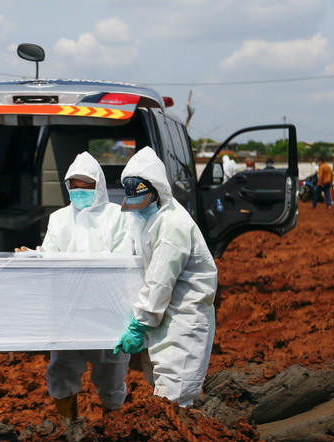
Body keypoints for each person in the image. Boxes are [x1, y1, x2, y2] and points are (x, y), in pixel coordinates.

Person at [115, 147, 218, 407]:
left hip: (183, 319)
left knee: (176, 398)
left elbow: (160, 281)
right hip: (160, 318)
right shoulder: (143, 218)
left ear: (157, 192)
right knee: (161, 393)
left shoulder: (174, 226)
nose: (138, 209)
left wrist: (140, 323)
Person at [40, 152, 132, 419]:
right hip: (68, 310)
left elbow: (123, 258)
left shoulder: (118, 216)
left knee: (111, 370)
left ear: (99, 186)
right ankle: (68, 428)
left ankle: (111, 428)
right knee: (62, 368)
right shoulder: (59, 218)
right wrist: (34, 255)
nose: (79, 191)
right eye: (74, 186)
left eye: (86, 185)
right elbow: (50, 255)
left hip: (107, 310)